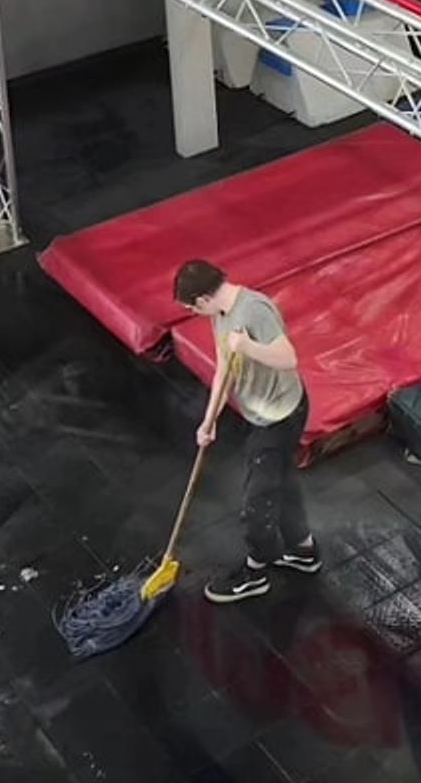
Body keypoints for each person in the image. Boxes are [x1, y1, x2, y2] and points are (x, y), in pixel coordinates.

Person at [173, 258, 319, 602]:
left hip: (280, 416)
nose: (195, 314)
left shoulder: (254, 310)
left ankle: (255, 572)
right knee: (282, 481)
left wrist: (248, 347)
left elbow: (288, 358)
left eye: (191, 308)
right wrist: (208, 422)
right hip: (260, 412)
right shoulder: (222, 316)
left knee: (257, 500)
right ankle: (303, 550)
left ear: (203, 299)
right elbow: (225, 368)